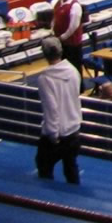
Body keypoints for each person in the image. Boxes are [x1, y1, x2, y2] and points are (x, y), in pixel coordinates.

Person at [35, 37, 82, 185]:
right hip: (74, 129)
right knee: (71, 167)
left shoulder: (45, 78)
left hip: (58, 133)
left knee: (43, 165)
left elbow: (51, 109)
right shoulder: (73, 71)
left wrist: (52, 134)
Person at [50, 0, 86, 73]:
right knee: (63, 67)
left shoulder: (75, 6)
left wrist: (63, 37)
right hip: (61, 42)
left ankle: (79, 87)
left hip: (72, 44)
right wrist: (52, 30)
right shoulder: (58, 3)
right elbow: (55, 18)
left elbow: (74, 26)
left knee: (75, 67)